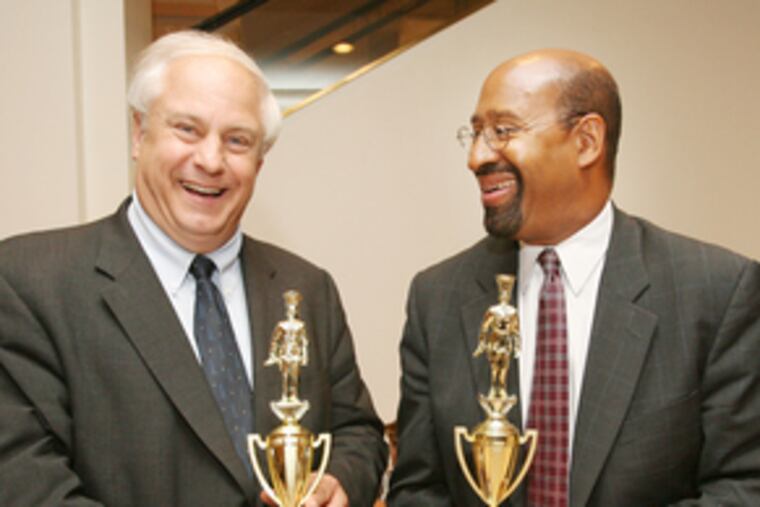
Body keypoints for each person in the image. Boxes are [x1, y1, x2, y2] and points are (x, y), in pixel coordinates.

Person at [0, 30, 386, 507]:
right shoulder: (30, 281)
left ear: (260, 163)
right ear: (139, 134)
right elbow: (26, 482)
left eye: (237, 140)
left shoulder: (306, 288)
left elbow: (357, 433)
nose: (210, 160)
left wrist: (339, 483)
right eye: (187, 129)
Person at [388, 49, 760, 506]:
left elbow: (742, 486)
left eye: (503, 131)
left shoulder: (716, 291)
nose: (476, 156)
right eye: (476, 132)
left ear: (586, 141)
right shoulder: (438, 298)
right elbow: (419, 489)